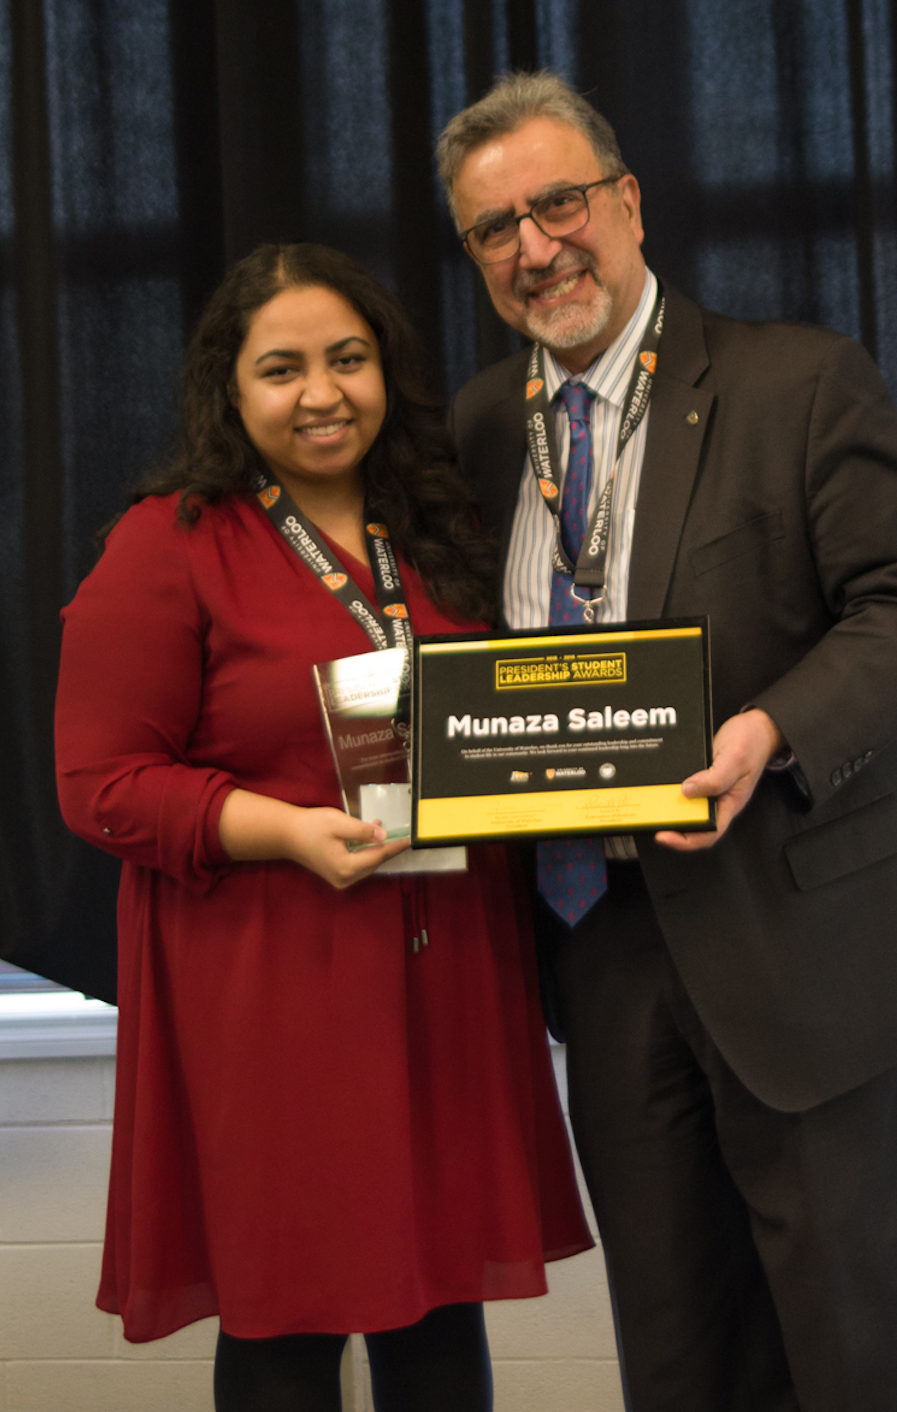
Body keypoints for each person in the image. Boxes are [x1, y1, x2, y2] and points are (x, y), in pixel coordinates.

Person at [433, 72, 897, 1411]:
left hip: (803, 943)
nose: (532, 246)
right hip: (601, 952)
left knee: (857, 1354)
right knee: (679, 1358)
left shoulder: (797, 381)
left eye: (556, 202)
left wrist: (768, 732)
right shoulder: (481, 425)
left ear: (625, 200)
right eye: (493, 228)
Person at [53, 243, 593, 1411]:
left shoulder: (440, 524)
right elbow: (97, 782)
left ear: (385, 371)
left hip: (445, 968)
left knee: (443, 1306)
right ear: (229, 390)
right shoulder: (171, 542)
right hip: (271, 985)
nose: (321, 393)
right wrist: (279, 828)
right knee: (288, 1315)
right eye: (281, 367)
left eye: (347, 359)